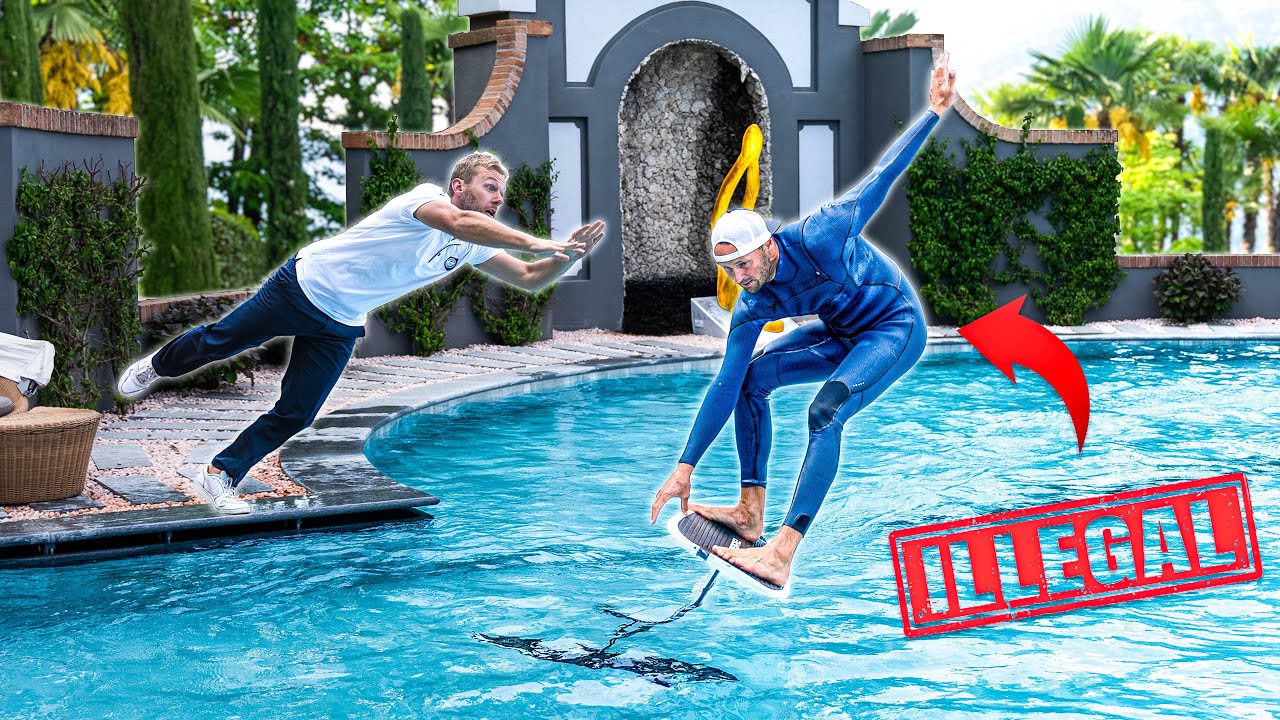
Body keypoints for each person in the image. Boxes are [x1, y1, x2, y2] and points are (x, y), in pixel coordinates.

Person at [119, 151, 605, 514]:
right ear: (459, 187)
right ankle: (156, 366)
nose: (498, 199)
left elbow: (526, 277)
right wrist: (538, 239)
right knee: (218, 343)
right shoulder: (426, 202)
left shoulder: (473, 247)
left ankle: (220, 473)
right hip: (303, 285)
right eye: (489, 187)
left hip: (341, 320)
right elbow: (458, 223)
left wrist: (563, 259)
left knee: (298, 412)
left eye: (502, 192)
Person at [650, 52, 957, 589]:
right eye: (727, 269)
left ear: (768, 247)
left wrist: (931, 112)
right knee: (751, 378)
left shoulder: (822, 234)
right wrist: (686, 464)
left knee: (826, 410)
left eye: (744, 263)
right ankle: (750, 511)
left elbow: (883, 178)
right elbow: (725, 384)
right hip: (841, 333)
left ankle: (782, 552)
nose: (739, 277)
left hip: (893, 328)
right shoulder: (752, 304)